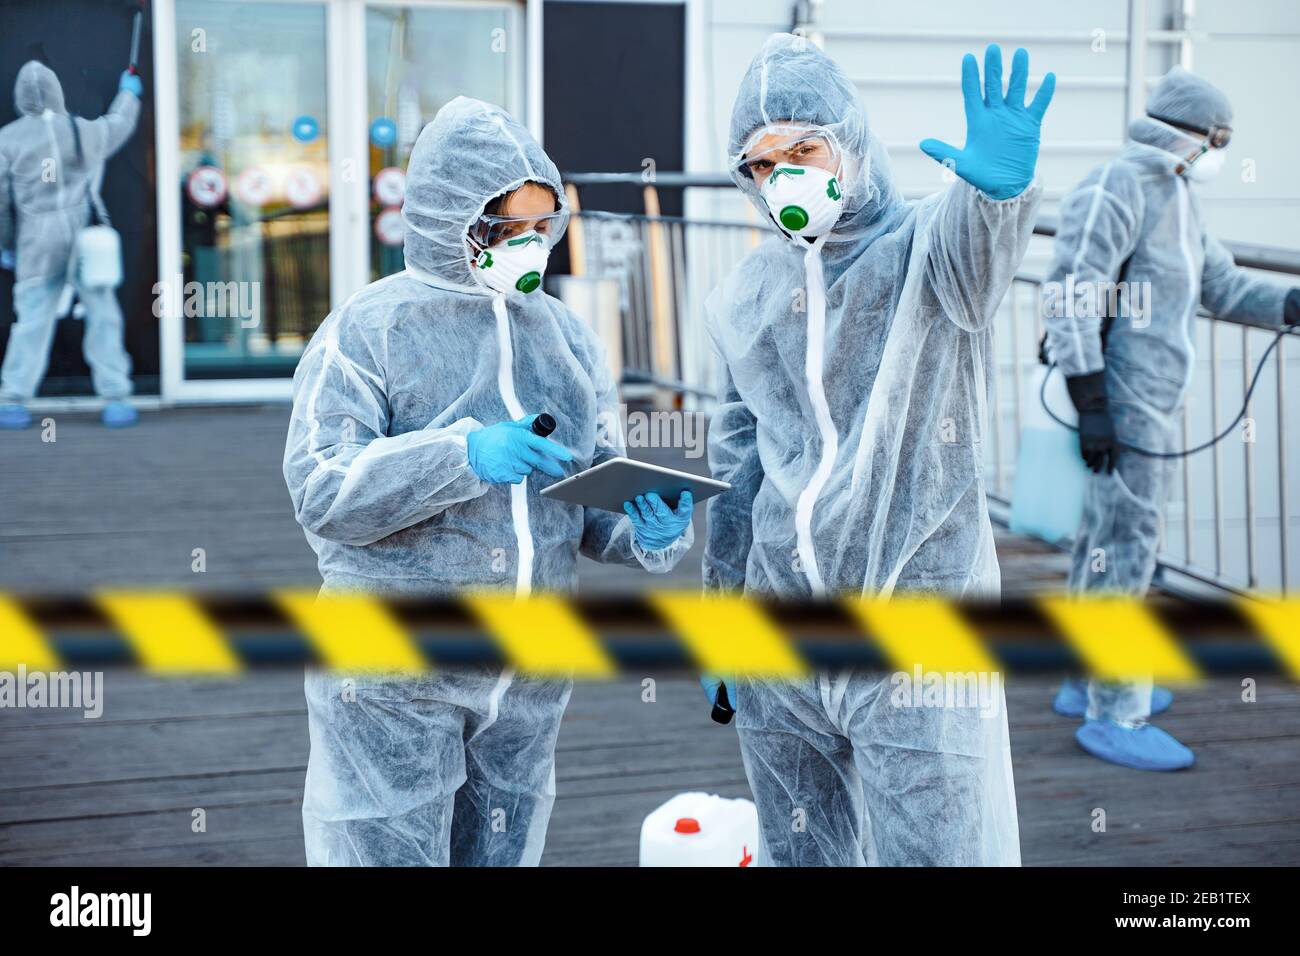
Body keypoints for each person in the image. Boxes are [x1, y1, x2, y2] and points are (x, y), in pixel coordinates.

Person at [282, 97, 693, 867]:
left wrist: (645, 525)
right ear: (447, 221)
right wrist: (458, 458)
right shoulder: (368, 331)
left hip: (527, 683)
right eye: (507, 230)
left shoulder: (564, 337)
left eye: (543, 226)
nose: (530, 246)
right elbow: (323, 487)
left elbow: (585, 498)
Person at [701, 35, 1053, 865]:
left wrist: (998, 196)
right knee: (804, 850)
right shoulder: (748, 295)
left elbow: (979, 257)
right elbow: (736, 468)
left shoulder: (926, 252)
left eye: (803, 149)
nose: (782, 176)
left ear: (848, 140)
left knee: (935, 850)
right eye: (761, 163)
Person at [1044, 66, 1300, 771]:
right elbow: (1070, 291)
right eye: (1219, 139)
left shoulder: (1177, 196)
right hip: (1120, 399)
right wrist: (1092, 402)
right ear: (1191, 134)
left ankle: (1085, 675)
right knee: (1129, 549)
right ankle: (1116, 715)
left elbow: (1218, 283)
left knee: (1104, 537)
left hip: (1150, 397)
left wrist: (1287, 304)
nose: (1220, 151)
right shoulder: (1118, 185)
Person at [0, 61, 141, 429]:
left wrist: (7, 244)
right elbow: (119, 124)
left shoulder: (7, 139)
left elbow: (0, 204)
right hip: (85, 235)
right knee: (103, 316)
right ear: (56, 91)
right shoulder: (84, 130)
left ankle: (13, 399)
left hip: (36, 239)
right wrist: (129, 93)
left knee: (31, 319)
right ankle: (116, 397)